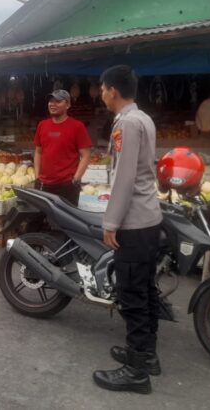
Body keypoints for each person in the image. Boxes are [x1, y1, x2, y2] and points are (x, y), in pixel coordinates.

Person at [92, 65, 163, 394]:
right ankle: (147, 356)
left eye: (102, 89)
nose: (101, 94)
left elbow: (124, 177)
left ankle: (136, 372)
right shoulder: (143, 118)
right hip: (149, 218)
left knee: (132, 295)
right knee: (146, 290)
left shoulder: (127, 124)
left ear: (113, 90)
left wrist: (111, 222)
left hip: (133, 221)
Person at [33, 89, 92, 206]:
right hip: (44, 184)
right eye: (51, 101)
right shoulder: (42, 125)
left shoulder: (77, 126)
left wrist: (76, 179)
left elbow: (86, 156)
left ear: (68, 105)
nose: (52, 104)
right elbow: (38, 152)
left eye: (58, 101)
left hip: (67, 185)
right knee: (42, 216)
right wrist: (37, 177)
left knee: (66, 217)